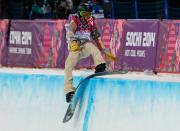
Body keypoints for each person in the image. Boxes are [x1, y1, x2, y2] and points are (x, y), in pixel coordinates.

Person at [64, 3, 116, 103]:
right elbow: (70, 31)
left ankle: (100, 65)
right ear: (79, 13)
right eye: (84, 13)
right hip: (76, 47)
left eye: (88, 14)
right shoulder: (75, 19)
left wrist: (104, 50)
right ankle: (69, 91)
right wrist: (72, 41)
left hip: (85, 44)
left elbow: (96, 37)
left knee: (93, 48)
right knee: (68, 65)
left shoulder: (91, 21)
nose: (86, 16)